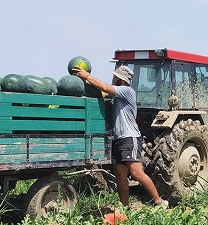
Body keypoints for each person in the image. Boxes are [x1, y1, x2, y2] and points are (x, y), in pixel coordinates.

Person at [72, 65, 168, 207]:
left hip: (130, 138)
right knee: (120, 177)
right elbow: (102, 90)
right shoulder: (117, 95)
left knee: (136, 173)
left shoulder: (127, 91)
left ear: (120, 78)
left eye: (115, 76)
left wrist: (87, 76)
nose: (113, 78)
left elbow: (105, 87)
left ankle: (159, 202)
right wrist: (88, 83)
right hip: (118, 139)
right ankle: (124, 206)